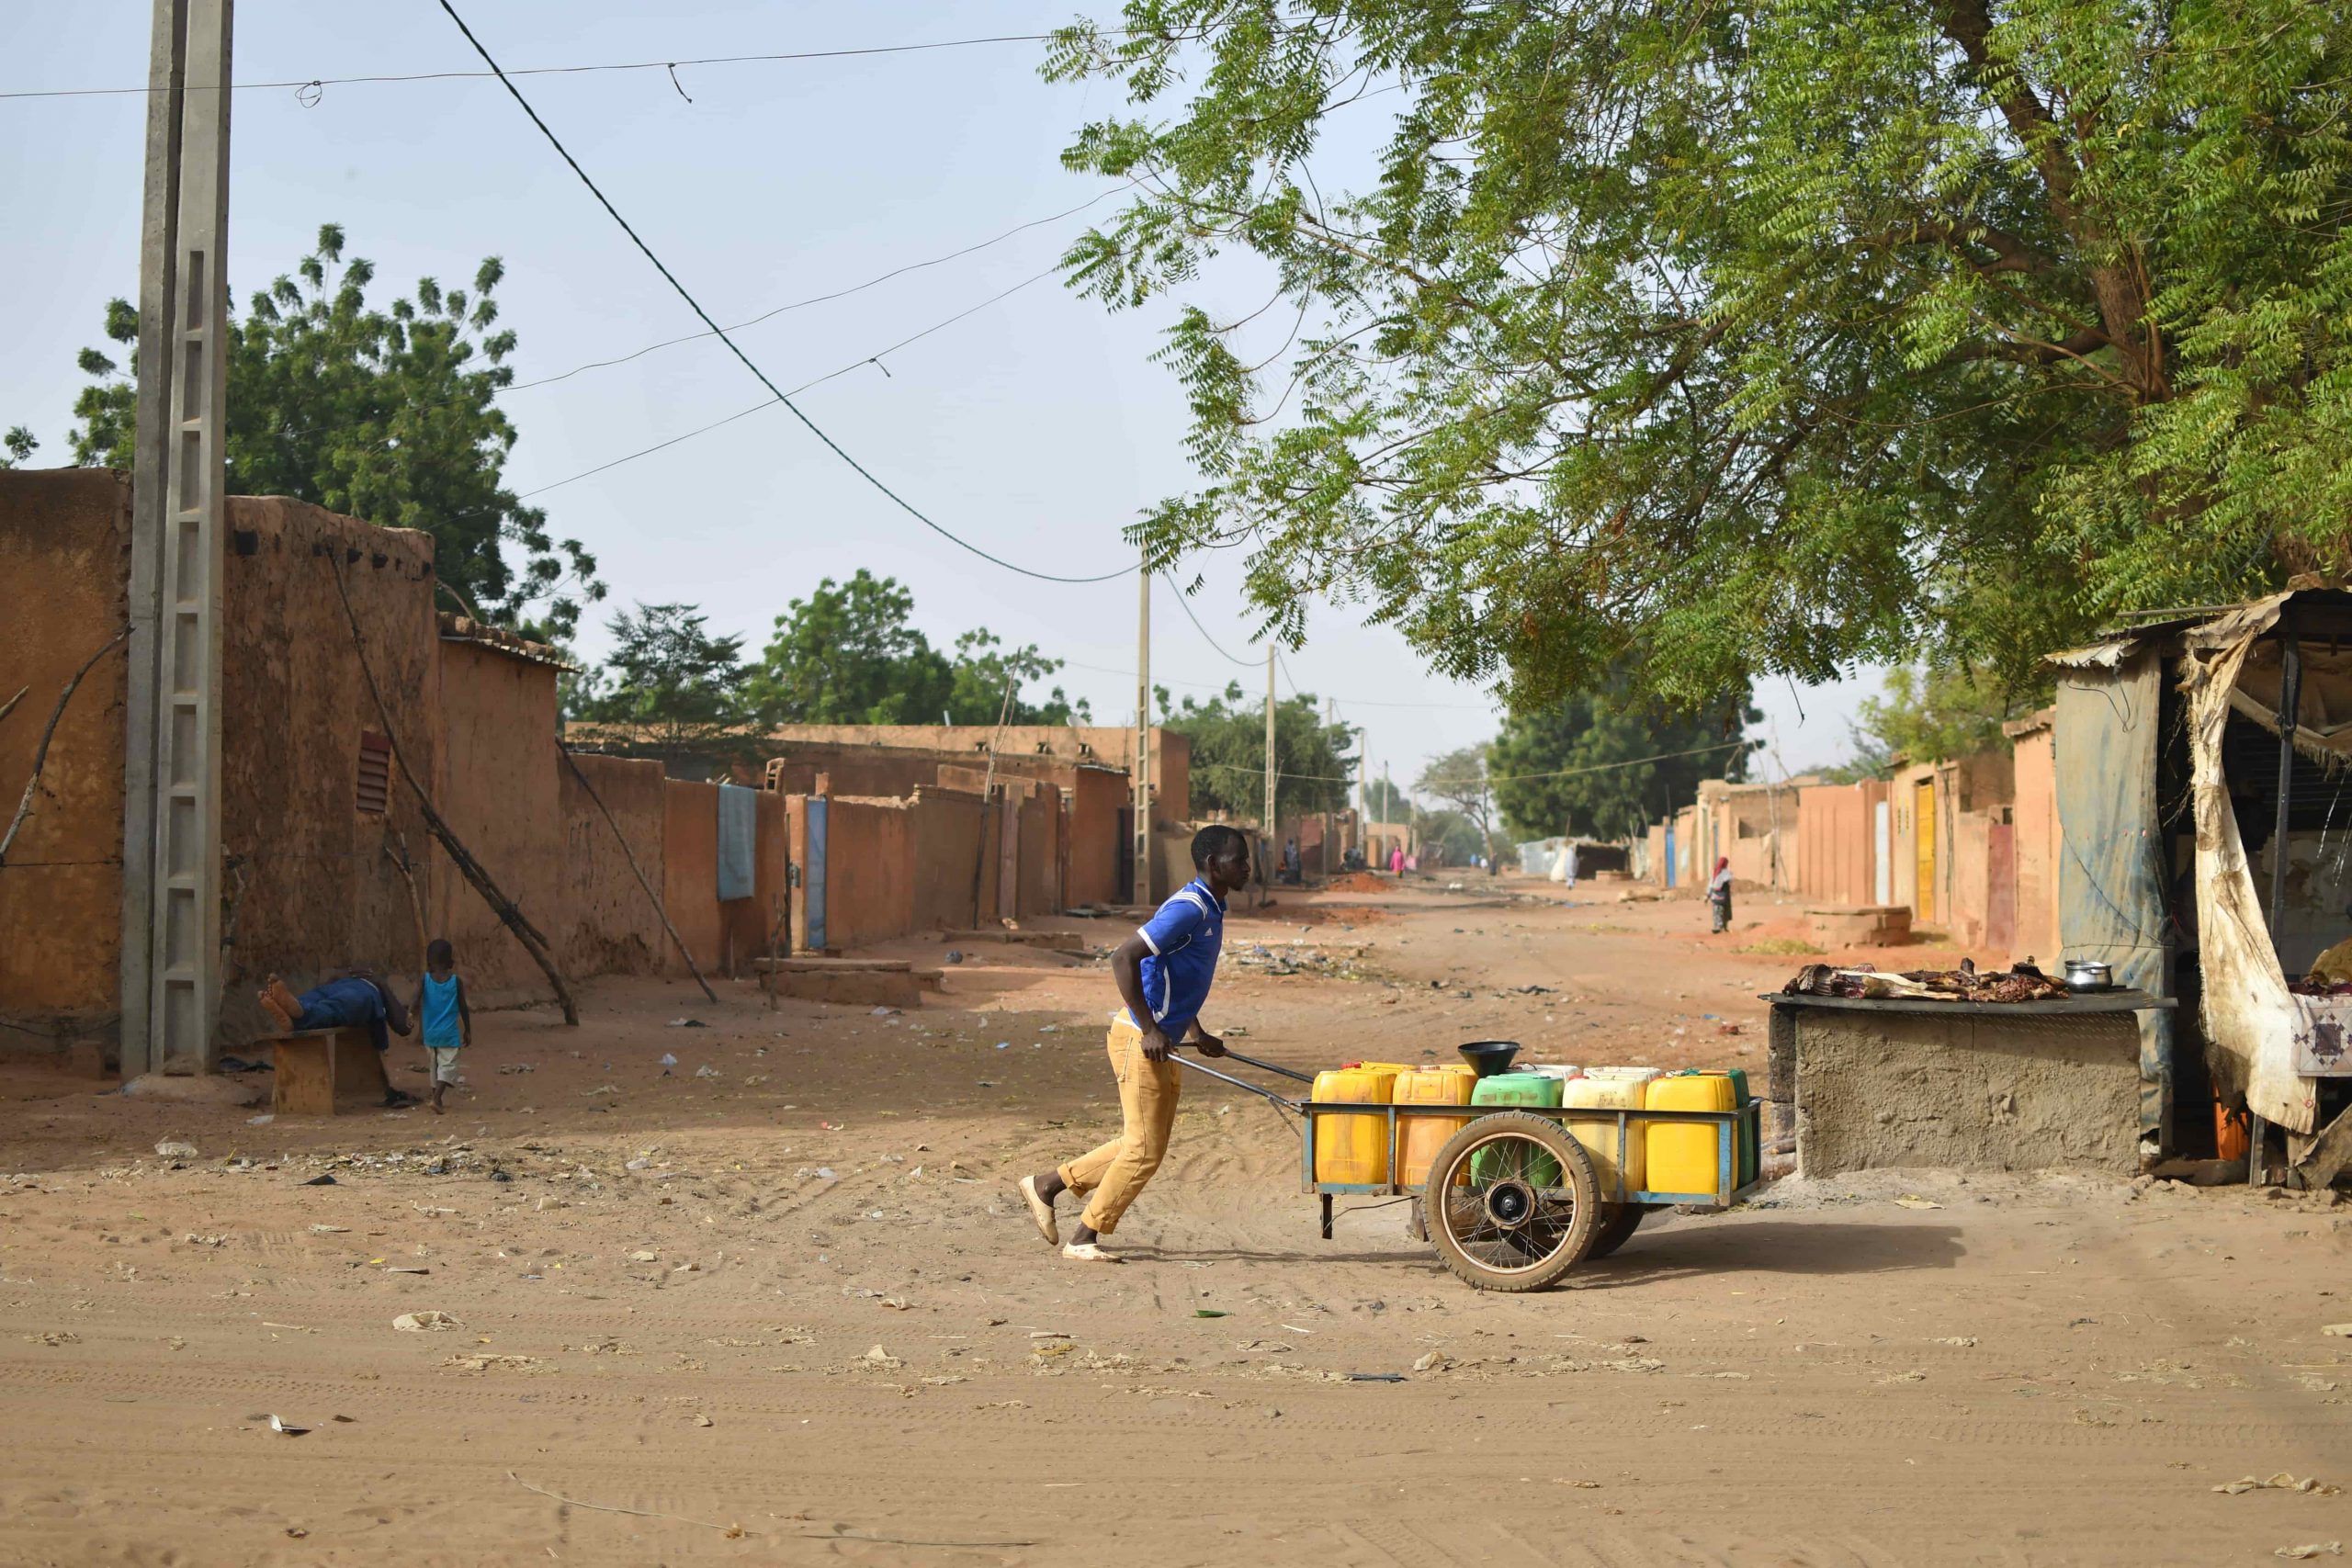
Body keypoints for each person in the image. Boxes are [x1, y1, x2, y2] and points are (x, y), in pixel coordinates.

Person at [1019, 824, 1250, 1263]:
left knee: (1141, 1144)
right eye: (1238, 859)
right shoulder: (1189, 909)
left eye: (1245, 859)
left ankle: (1047, 1185)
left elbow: (1175, 974)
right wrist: (1150, 1029)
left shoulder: (1213, 908)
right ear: (1211, 864)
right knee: (1143, 1150)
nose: (1247, 867)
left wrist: (1196, 1032)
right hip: (1140, 1040)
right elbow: (1123, 958)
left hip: (1164, 1039)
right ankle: (1084, 1236)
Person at [257, 969, 412, 1051]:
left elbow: (403, 1027)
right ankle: (297, 1012)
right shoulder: (374, 985)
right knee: (325, 1003)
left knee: (325, 1002)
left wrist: (379, 983)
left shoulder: (372, 985)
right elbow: (404, 1027)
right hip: (350, 989)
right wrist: (381, 984)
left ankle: (297, 1013)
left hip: (350, 989)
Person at [413, 938, 472, 1114]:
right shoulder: (455, 982)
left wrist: (410, 1013)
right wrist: (468, 1030)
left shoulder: (425, 980)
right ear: (450, 962)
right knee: (448, 1066)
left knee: (435, 1066)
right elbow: (463, 1007)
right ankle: (437, 1098)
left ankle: (435, 1096)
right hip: (449, 1034)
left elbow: (415, 999)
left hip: (429, 1034)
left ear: (429, 961)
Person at [1708, 855, 1735, 933]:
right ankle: (1724, 927)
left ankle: (1718, 926)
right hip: (1725, 896)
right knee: (1725, 911)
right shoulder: (1727, 873)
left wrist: (1708, 895)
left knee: (1717, 911)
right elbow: (1730, 880)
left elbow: (1710, 885)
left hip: (1716, 896)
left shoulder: (1714, 872)